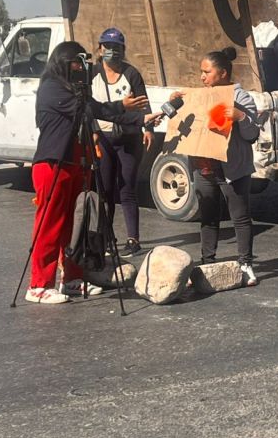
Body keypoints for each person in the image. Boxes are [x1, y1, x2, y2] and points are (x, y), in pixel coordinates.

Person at [26, 41, 157, 304]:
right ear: (64, 63)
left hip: (75, 163)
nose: (81, 68)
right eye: (77, 63)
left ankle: (71, 278)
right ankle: (38, 285)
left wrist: (138, 117)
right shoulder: (51, 87)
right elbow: (89, 109)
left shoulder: (73, 90)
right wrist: (121, 108)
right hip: (53, 164)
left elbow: (98, 109)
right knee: (50, 225)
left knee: (75, 225)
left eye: (83, 64)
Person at [172, 46, 260, 286]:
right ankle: (207, 262)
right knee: (208, 216)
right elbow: (185, 129)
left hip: (233, 169)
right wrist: (177, 107)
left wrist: (241, 117)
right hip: (204, 167)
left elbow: (252, 135)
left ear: (222, 73)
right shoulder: (199, 97)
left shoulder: (241, 98)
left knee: (240, 217)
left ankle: (246, 264)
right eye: (201, 72)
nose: (202, 77)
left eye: (207, 72)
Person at [90, 27, 153, 258]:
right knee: (105, 190)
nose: (112, 51)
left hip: (129, 137)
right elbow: (88, 107)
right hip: (103, 138)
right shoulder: (93, 74)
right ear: (100, 49)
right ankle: (107, 238)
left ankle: (133, 239)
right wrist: (93, 132)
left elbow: (143, 103)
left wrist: (148, 128)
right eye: (108, 47)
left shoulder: (131, 74)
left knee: (127, 188)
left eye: (117, 48)